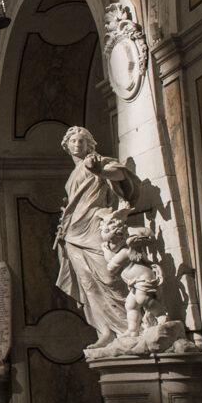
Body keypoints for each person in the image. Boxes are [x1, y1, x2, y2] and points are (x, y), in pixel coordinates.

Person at [54, 126, 138, 344]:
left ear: (89, 144)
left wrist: (99, 170)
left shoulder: (96, 160)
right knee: (88, 284)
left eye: (81, 141)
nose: (77, 145)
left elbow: (120, 174)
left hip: (94, 224)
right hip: (72, 232)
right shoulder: (74, 172)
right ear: (67, 146)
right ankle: (105, 331)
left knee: (109, 276)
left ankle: (131, 325)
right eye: (73, 141)